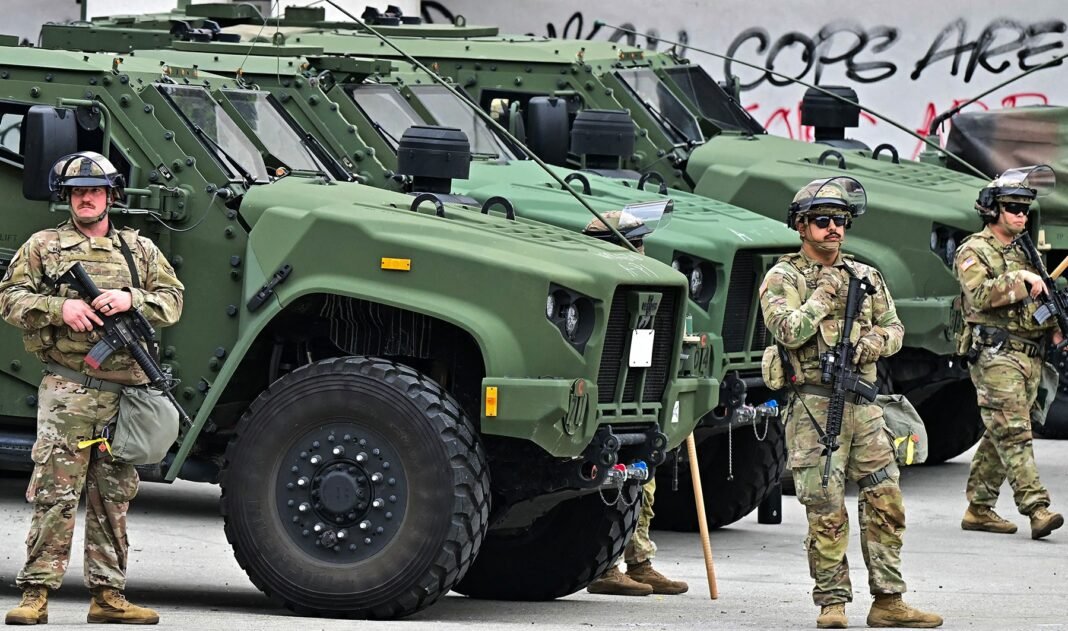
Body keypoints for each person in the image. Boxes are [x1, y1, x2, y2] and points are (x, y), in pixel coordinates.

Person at [1, 151, 184, 626]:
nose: (87, 198)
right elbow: (10, 298)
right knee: (55, 493)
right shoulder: (44, 246)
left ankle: (108, 595)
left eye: (96, 190)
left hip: (126, 395)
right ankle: (36, 593)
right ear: (68, 197)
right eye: (78, 191)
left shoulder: (138, 250)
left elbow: (173, 300)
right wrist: (59, 309)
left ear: (111, 196)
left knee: (114, 495)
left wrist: (130, 298)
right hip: (70, 390)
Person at [759, 177, 941, 629]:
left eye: (840, 221)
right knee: (825, 508)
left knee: (886, 499)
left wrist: (874, 342)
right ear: (801, 227)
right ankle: (833, 603)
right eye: (823, 221)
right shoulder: (784, 277)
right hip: (814, 407)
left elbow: (897, 330)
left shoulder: (867, 275)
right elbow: (787, 331)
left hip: (865, 406)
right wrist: (822, 296)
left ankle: (889, 601)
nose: (834, 229)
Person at [581, 210, 688, 597]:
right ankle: (603, 566)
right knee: (606, 487)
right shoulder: (593, 284)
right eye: (633, 241)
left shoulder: (646, 283)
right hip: (601, 405)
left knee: (644, 481)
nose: (641, 249)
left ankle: (639, 560)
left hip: (640, 399)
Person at [956, 165, 1063, 540]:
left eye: (1024, 209)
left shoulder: (1025, 252)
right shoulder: (974, 250)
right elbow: (981, 295)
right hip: (995, 354)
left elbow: (1041, 299)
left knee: (1001, 432)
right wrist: (1022, 280)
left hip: (1030, 355)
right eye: (1012, 207)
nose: (1020, 215)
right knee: (1015, 433)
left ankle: (979, 508)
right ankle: (1037, 508)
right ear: (991, 210)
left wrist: (1054, 327)